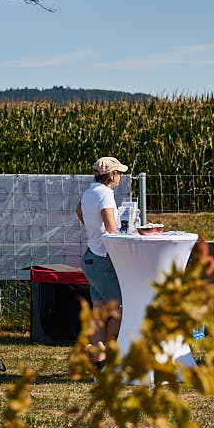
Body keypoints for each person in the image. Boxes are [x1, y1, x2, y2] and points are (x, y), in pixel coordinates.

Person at [75, 156, 126, 368]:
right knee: (120, 309)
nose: (120, 176)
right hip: (102, 259)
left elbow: (79, 210)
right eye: (119, 173)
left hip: (90, 258)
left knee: (98, 313)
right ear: (111, 175)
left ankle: (99, 359)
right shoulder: (106, 194)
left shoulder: (89, 192)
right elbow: (112, 230)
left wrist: (91, 227)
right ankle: (105, 349)